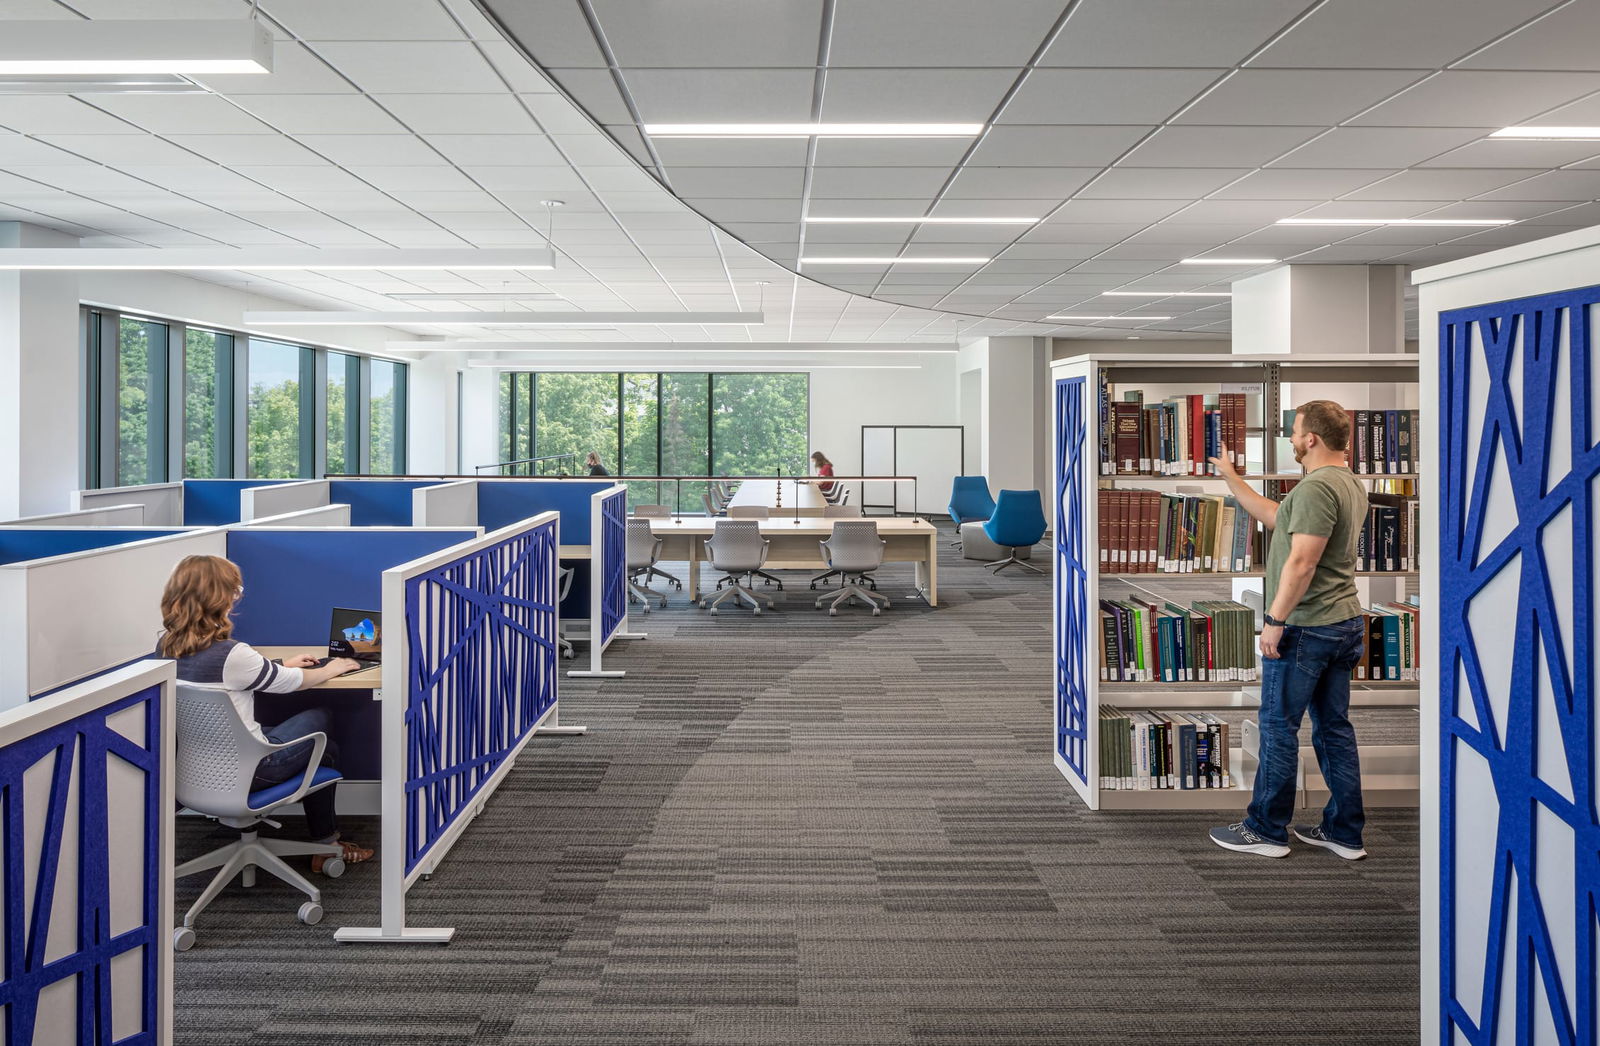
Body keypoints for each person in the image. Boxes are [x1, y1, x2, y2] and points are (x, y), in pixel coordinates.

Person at [1206, 401, 1370, 861]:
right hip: (1341, 623)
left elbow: (1303, 561)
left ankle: (1266, 830)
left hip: (1307, 628)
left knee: (1278, 728)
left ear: (1311, 439)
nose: (1292, 440)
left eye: (1295, 433)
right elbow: (1280, 518)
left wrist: (1274, 621)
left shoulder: (1319, 489)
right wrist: (1231, 477)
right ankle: (1343, 831)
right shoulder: (1345, 483)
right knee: (1333, 728)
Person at [158, 555, 373, 871]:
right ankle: (326, 845)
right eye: (234, 590)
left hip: (192, 770)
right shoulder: (234, 655)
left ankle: (326, 844)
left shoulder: (164, 645)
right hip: (254, 770)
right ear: (219, 598)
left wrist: (280, 664)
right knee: (322, 724)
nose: (236, 598)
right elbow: (296, 683)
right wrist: (336, 666)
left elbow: (243, 674)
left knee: (316, 739)